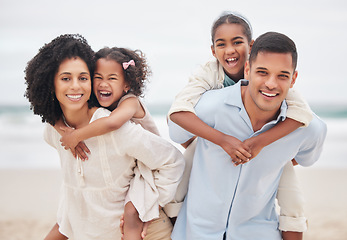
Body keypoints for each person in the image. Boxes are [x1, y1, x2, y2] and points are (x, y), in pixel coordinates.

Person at [164, 12, 312, 239]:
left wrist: (262, 144)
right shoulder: (209, 73)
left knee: (288, 184)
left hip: (260, 138)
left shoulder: (269, 74)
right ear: (213, 51)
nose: (230, 50)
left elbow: (302, 114)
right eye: (221, 44)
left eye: (237, 42)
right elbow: (177, 113)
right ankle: (180, 225)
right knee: (187, 167)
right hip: (212, 136)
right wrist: (220, 140)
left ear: (251, 46)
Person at [24, 34, 184, 240]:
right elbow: (75, 188)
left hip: (149, 232)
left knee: (133, 212)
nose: (75, 86)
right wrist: (61, 127)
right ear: (50, 84)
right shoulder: (54, 130)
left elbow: (172, 160)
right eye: (65, 78)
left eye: (82, 78)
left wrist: (146, 207)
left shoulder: (119, 124)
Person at [56, 46, 172, 239]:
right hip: (133, 165)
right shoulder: (100, 104)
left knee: (131, 215)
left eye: (112, 78)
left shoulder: (131, 102)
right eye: (98, 77)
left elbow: (113, 123)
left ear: (126, 85)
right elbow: (56, 113)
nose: (103, 84)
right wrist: (61, 126)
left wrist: (76, 136)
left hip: (151, 169)